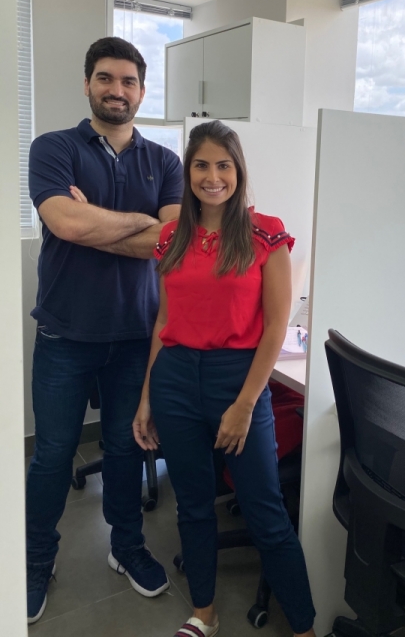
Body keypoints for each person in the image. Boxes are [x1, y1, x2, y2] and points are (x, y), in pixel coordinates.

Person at [133, 120, 316, 637]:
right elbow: (164, 321)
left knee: (265, 511)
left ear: (238, 171)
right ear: (188, 172)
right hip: (174, 379)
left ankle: (304, 628)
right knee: (192, 506)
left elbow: (276, 326)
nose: (212, 177)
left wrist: (245, 404)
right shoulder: (171, 237)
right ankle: (205, 614)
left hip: (237, 380)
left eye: (223, 166)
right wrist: (147, 397)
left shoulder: (265, 233)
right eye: (201, 166)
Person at [26, 37, 183, 624]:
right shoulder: (54, 147)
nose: (117, 90)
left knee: (125, 446)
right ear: (88, 84)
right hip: (64, 334)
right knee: (52, 455)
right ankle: (35, 559)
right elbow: (65, 223)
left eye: (128, 81)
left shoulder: (166, 162)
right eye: (105, 78)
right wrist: (134, 224)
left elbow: (174, 242)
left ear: (141, 91)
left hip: (136, 335)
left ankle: (127, 546)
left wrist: (95, 222)